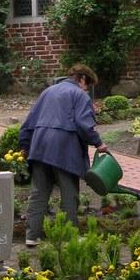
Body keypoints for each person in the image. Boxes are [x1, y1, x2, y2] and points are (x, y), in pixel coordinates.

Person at [19, 63, 108, 246]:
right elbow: (84, 125)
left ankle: (31, 236)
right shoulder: (79, 95)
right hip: (64, 149)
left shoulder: (48, 92)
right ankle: (70, 237)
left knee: (39, 193)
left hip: (40, 146)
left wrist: (25, 145)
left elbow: (29, 122)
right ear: (82, 79)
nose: (87, 89)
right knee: (69, 193)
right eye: (88, 85)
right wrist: (98, 143)